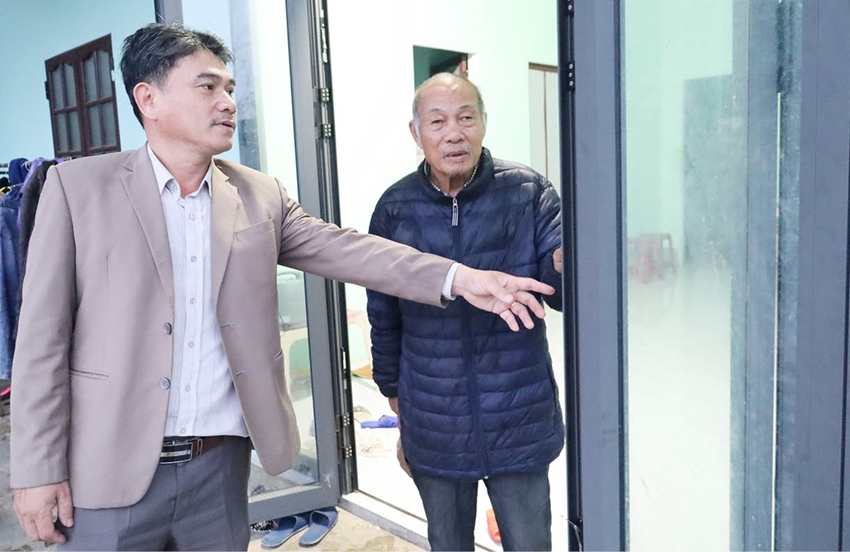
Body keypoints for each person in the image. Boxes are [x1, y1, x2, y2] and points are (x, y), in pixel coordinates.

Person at [9, 25, 555, 551]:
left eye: (229, 88)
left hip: (217, 469)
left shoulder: (259, 194)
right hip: (109, 471)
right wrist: (36, 469)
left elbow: (351, 251)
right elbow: (40, 342)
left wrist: (460, 278)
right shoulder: (77, 190)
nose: (228, 103)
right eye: (208, 87)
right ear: (148, 98)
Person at [367, 73, 565, 551]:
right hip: (435, 414)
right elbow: (383, 314)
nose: (453, 133)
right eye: (437, 122)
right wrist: (394, 394)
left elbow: (559, 291)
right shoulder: (395, 208)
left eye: (465, 118)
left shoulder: (529, 192)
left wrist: (568, 262)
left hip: (518, 408)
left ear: (483, 124)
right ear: (416, 133)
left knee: (531, 542)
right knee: (448, 541)